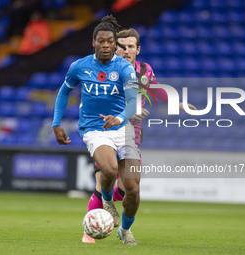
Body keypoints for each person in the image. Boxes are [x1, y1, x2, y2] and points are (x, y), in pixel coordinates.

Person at [82, 28, 197, 244]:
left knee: (130, 190)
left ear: (138, 49)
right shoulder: (106, 69)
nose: (126, 50)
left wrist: (179, 105)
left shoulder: (144, 70)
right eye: (122, 46)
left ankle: (124, 229)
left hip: (131, 137)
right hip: (105, 131)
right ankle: (89, 231)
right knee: (103, 178)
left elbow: (157, 90)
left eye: (131, 46)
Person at [52, 15, 141, 245]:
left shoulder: (124, 68)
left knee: (132, 188)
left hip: (123, 129)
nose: (105, 45)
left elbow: (132, 103)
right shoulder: (79, 66)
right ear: (94, 42)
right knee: (109, 171)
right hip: (95, 128)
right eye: (101, 41)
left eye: (110, 42)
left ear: (115, 44)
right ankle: (108, 202)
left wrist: (119, 117)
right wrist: (56, 123)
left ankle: (125, 229)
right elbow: (64, 92)